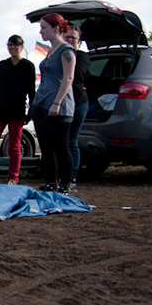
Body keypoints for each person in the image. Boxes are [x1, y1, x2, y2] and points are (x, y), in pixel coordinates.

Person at [30, 13, 76, 194]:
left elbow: (68, 77)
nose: (41, 32)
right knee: (46, 147)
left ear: (56, 29)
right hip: (41, 103)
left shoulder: (66, 51)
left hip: (58, 106)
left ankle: (66, 183)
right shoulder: (50, 51)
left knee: (61, 146)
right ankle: (51, 182)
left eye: (44, 27)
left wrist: (57, 102)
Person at [0, 35, 37, 185]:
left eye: (16, 45)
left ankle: (13, 177)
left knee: (14, 146)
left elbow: (32, 92)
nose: (12, 48)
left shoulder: (27, 66)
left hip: (16, 111)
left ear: (22, 47)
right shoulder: (3, 65)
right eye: (10, 45)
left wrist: (30, 112)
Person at [65, 25, 89, 192]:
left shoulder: (82, 57)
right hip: (63, 102)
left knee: (72, 140)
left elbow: (78, 75)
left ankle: (72, 179)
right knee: (61, 141)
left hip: (78, 102)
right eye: (67, 37)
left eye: (73, 37)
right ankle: (62, 176)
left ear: (78, 40)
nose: (70, 40)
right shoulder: (59, 54)